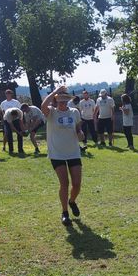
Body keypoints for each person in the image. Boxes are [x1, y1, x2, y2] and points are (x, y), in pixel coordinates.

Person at [41, 86, 84, 226]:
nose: (62, 103)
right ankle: (65, 212)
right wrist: (55, 92)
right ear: (55, 101)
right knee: (64, 183)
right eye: (59, 100)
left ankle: (72, 201)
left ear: (68, 101)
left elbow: (78, 127)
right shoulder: (51, 112)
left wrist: (80, 133)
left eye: (65, 100)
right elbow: (43, 105)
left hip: (73, 152)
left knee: (77, 184)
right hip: (57, 153)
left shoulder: (74, 112)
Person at [0, 89, 21, 153]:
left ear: (11, 94)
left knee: (19, 133)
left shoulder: (16, 102)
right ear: (5, 94)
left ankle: (20, 149)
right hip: (7, 118)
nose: (8, 95)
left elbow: (19, 110)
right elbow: (2, 111)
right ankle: (10, 149)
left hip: (16, 119)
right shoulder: (3, 103)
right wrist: (3, 119)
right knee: (8, 134)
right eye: (7, 94)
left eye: (9, 93)